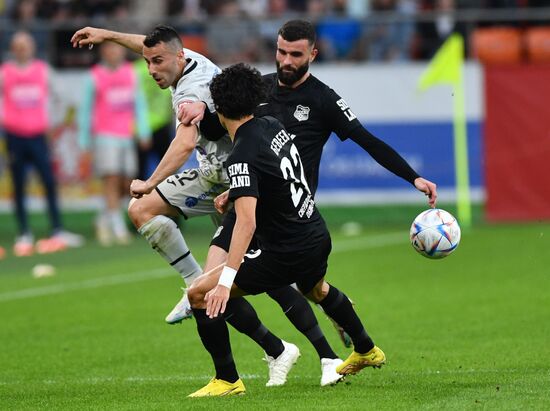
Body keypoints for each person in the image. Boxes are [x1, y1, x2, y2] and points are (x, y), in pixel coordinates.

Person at [70, 24, 345, 387]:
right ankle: (272, 347)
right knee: (152, 222)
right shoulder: (183, 59)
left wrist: (150, 181)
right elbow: (152, 47)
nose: (151, 69)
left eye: (157, 63)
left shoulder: (191, 92)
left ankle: (322, 355)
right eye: (149, 62)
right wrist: (107, 35)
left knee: (255, 279)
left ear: (178, 58)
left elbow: (184, 144)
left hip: (234, 181)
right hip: (216, 176)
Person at [186, 62, 386, 397]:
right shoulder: (271, 124)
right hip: (315, 233)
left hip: (284, 251)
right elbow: (280, 174)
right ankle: (366, 349)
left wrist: (224, 282)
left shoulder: (241, 155)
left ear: (219, 109)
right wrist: (235, 190)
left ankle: (227, 380)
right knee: (316, 290)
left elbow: (246, 223)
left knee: (199, 294)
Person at [0, 31, 84, 257]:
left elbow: (65, 98)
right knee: (18, 185)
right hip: (15, 137)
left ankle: (57, 229)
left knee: (48, 182)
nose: (22, 50)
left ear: (32, 48)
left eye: (25, 45)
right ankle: (24, 233)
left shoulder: (43, 71)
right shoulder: (5, 73)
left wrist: (55, 124)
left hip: (38, 136)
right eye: (18, 46)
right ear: (12, 49)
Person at [78, 42, 151, 245]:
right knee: (110, 178)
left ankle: (103, 218)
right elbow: (85, 110)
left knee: (126, 182)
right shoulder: (94, 76)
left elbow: (139, 102)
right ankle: (118, 227)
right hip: (104, 135)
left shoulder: (130, 73)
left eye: (116, 49)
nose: (113, 53)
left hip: (126, 135)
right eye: (109, 49)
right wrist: (84, 141)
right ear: (103, 53)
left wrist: (143, 130)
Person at [133, 58, 173, 182]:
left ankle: (138, 200)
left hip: (145, 126)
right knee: (167, 170)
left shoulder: (133, 68)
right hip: (152, 125)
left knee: (140, 173)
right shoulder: (164, 64)